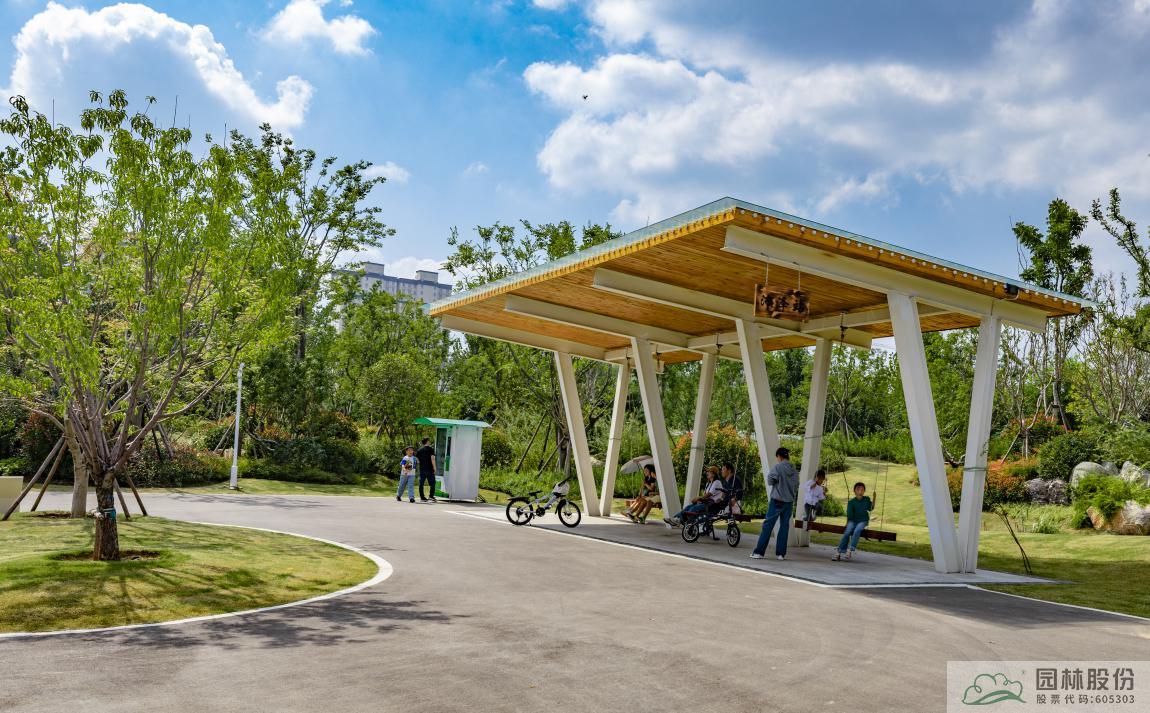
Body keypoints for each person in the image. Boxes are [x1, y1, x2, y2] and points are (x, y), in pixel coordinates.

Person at [750, 447, 799, 561]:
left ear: (779, 456)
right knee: (784, 527)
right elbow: (797, 485)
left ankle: (759, 552)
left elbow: (770, 481)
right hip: (789, 502)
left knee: (768, 525)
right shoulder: (794, 470)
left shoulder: (778, 467)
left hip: (777, 500)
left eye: (777, 457)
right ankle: (781, 554)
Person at [832, 482, 875, 561]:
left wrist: (874, 499)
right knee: (847, 532)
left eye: (862, 490)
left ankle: (850, 550)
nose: (860, 491)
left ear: (864, 491)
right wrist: (847, 524)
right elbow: (849, 515)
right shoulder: (851, 502)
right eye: (858, 490)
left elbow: (871, 508)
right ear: (855, 491)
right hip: (853, 520)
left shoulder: (866, 499)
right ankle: (839, 552)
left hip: (863, 520)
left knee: (857, 530)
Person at [415, 437, 437, 502]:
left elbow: (417, 460)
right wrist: (434, 468)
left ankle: (422, 497)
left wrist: (421, 462)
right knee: (433, 483)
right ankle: (431, 496)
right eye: (429, 440)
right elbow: (432, 459)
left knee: (421, 484)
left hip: (422, 469)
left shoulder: (419, 450)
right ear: (427, 441)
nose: (429, 441)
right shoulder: (431, 449)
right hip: (430, 469)